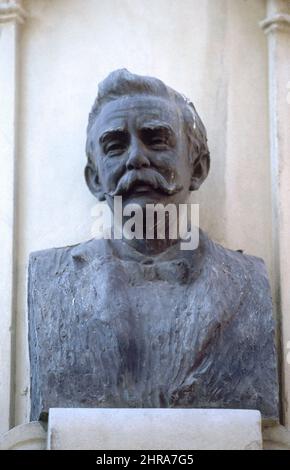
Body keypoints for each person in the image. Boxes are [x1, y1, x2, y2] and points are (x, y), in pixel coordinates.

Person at [29, 69, 278, 421]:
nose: (135, 159)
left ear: (199, 168)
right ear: (95, 179)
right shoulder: (49, 283)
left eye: (156, 139)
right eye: (115, 146)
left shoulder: (248, 281)